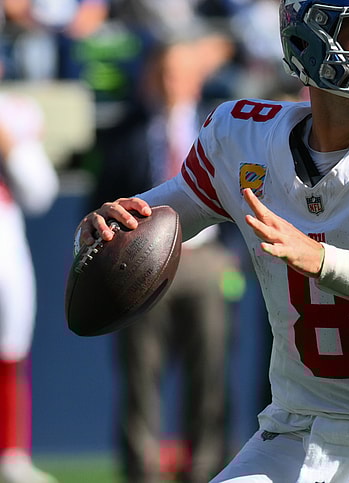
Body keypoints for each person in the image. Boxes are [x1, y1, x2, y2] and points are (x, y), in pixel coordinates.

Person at [73, 0, 349, 481]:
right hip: (296, 435)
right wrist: (101, 230)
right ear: (307, 39)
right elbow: (151, 217)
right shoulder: (243, 138)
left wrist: (320, 259)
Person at [90, 37, 239, 483]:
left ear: (196, 79)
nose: (171, 82)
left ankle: (207, 471)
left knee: (210, 376)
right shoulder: (124, 132)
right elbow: (103, 201)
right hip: (139, 267)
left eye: (180, 72)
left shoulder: (222, 131)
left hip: (206, 262)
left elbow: (245, 195)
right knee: (139, 378)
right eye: (163, 72)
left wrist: (231, 259)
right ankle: (142, 473)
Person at [0, 85, 59, 482]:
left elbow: (40, 193)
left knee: (11, 345)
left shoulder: (14, 111)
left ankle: (11, 454)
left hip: (5, 245)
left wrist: (9, 148)